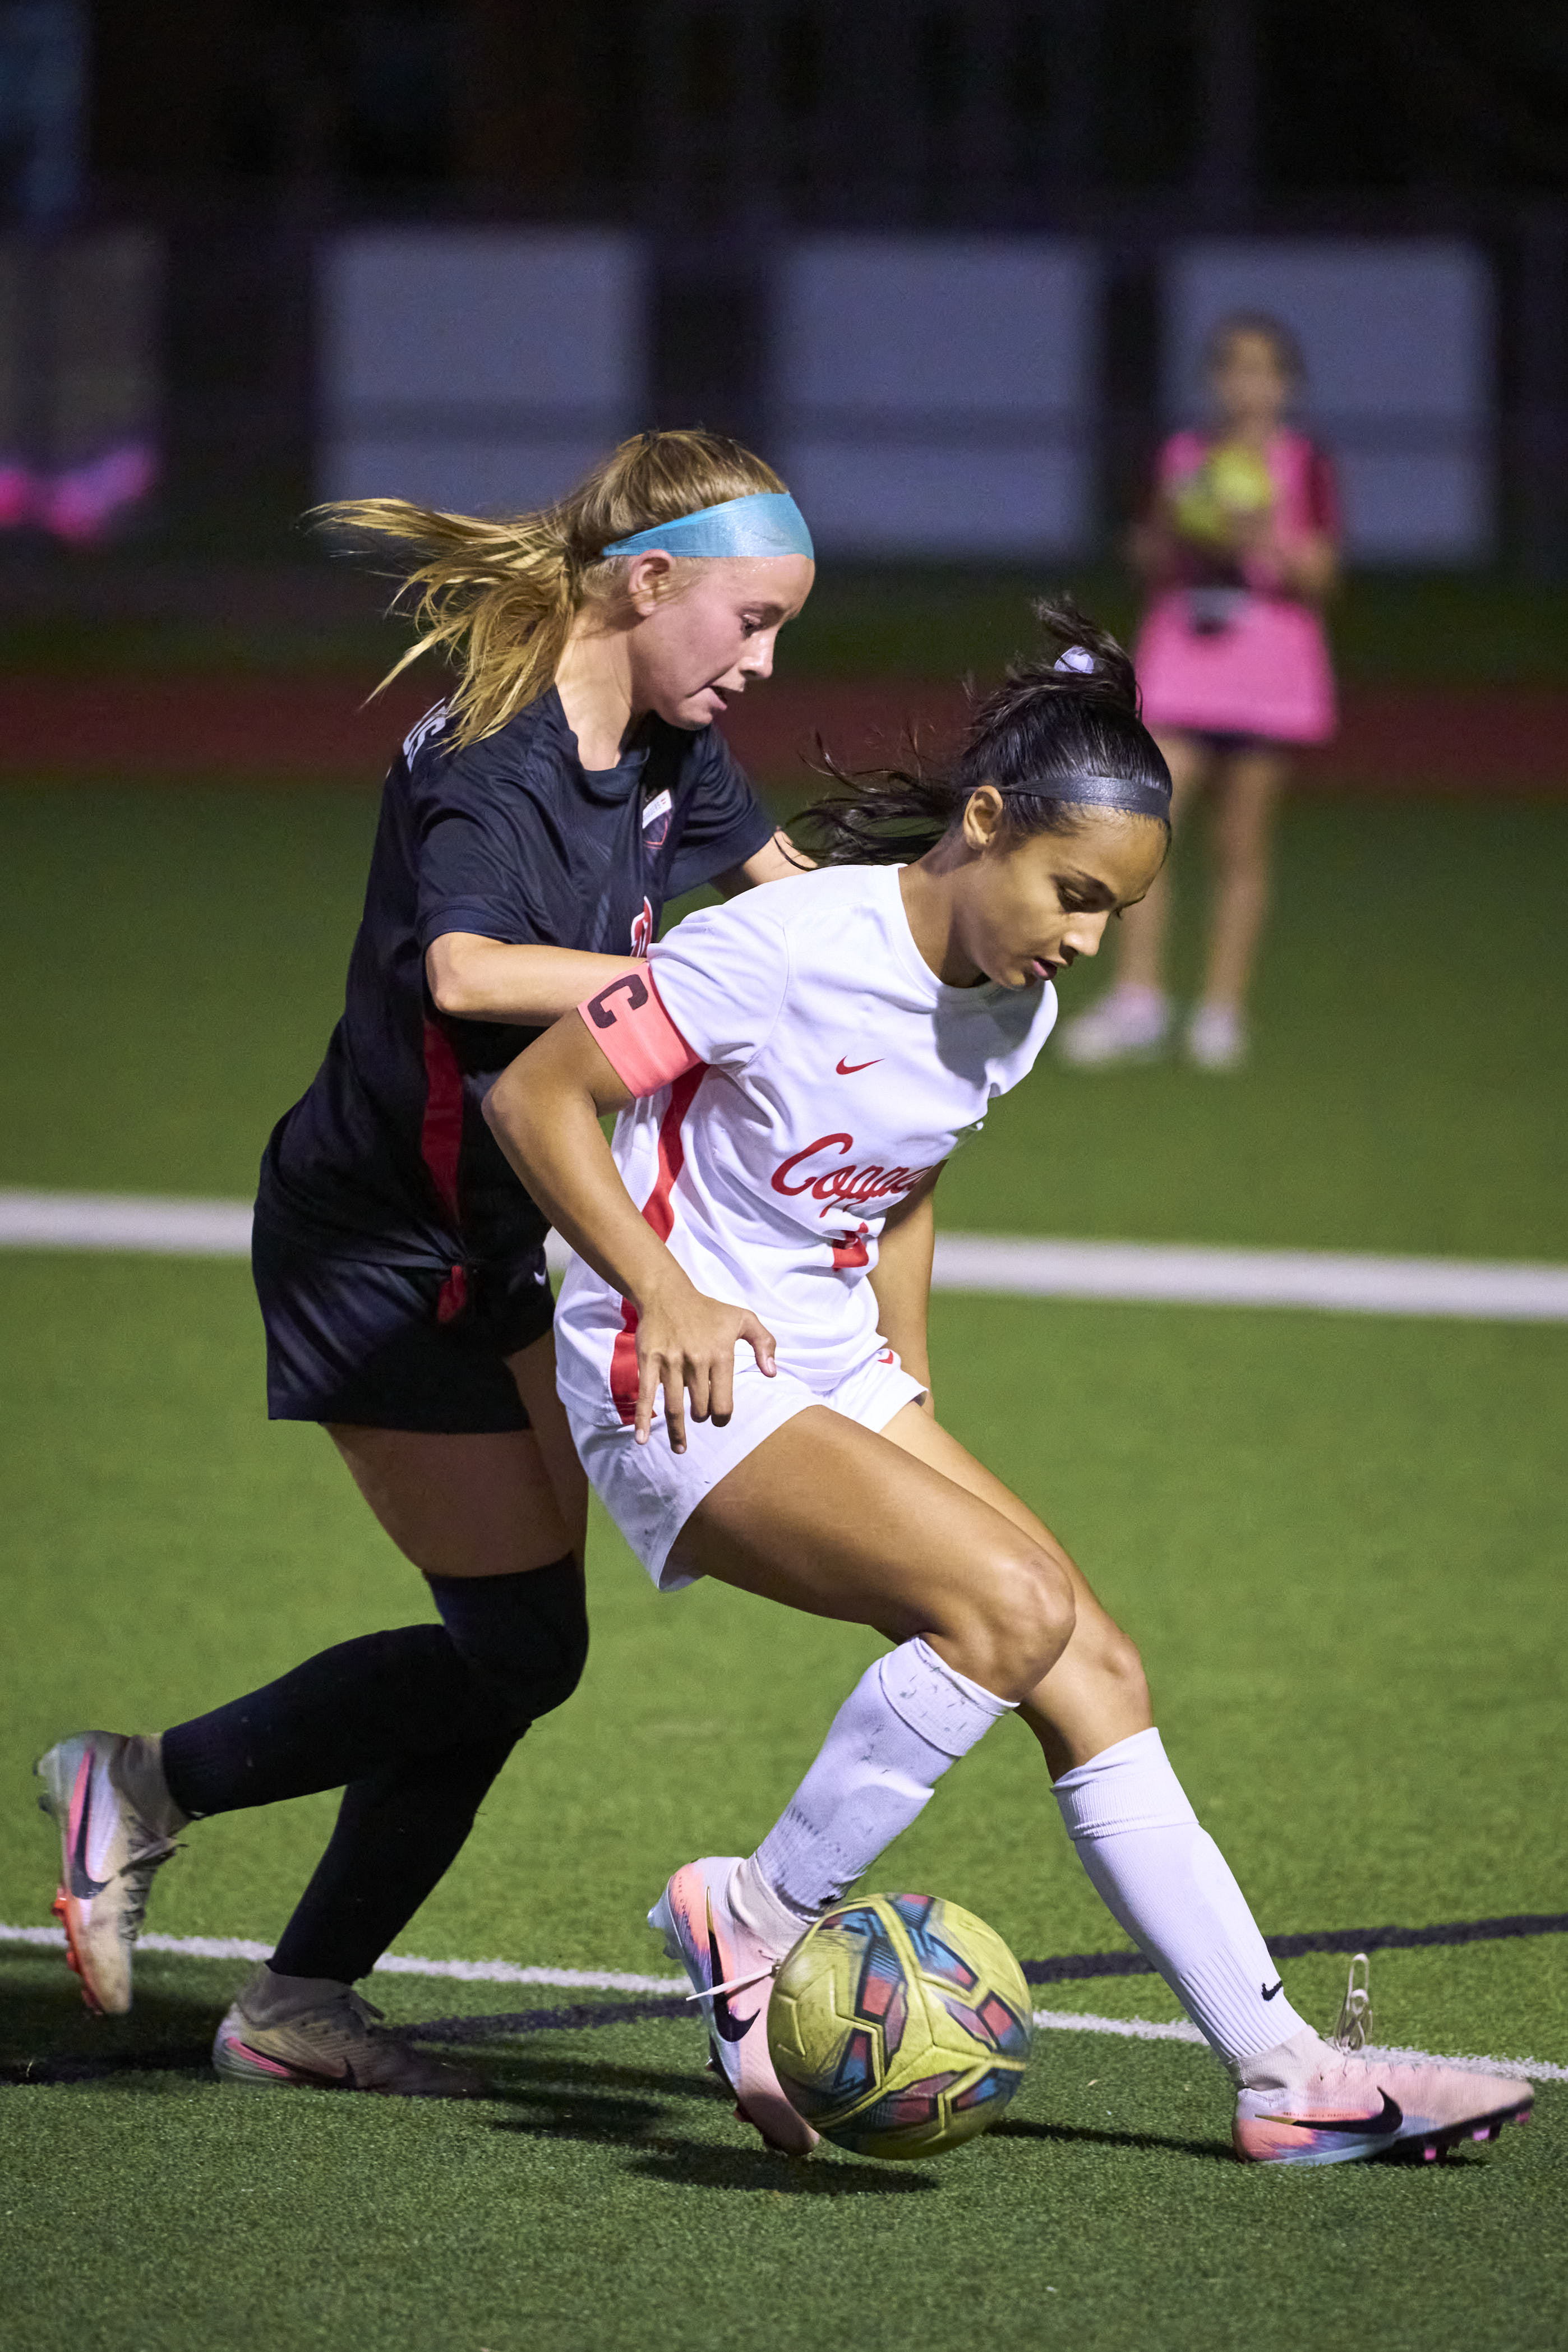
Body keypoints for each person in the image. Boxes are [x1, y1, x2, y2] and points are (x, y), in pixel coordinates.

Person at [483, 601, 1532, 2167]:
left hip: (828, 1366)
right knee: (1010, 1610)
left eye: (1116, 912)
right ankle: (752, 1916)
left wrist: (907, 1376)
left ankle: (1285, 2076)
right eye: (1074, 894)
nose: (1088, 942)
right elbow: (535, 1097)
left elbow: (904, 1179)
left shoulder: (1013, 1006)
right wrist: (665, 1287)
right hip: (672, 1368)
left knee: (1093, 1661)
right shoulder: (779, 948)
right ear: (983, 823)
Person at [34, 430, 817, 2095]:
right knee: (520, 1651)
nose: (763, 663)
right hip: (375, 1249)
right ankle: (146, 1788)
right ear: (647, 582)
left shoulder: (672, 741)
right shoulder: (496, 755)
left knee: (515, 1655)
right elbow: (462, 971)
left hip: (493, 1242)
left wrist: (939, 934)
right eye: (751, 621)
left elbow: (793, 911)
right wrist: (700, 992)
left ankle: (297, 2004)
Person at [1057, 313, 1339, 1072]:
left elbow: (1322, 575)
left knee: (1240, 844)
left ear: (1286, 384)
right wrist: (1182, 531)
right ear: (1215, 380)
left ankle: (1221, 1010)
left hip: (1268, 674)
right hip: (1185, 666)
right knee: (1144, 830)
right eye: (1233, 368)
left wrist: (1260, 535)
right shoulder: (1183, 457)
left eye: (1263, 369)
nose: (1246, 384)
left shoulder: (1303, 464)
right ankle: (1139, 1000)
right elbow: (1144, 552)